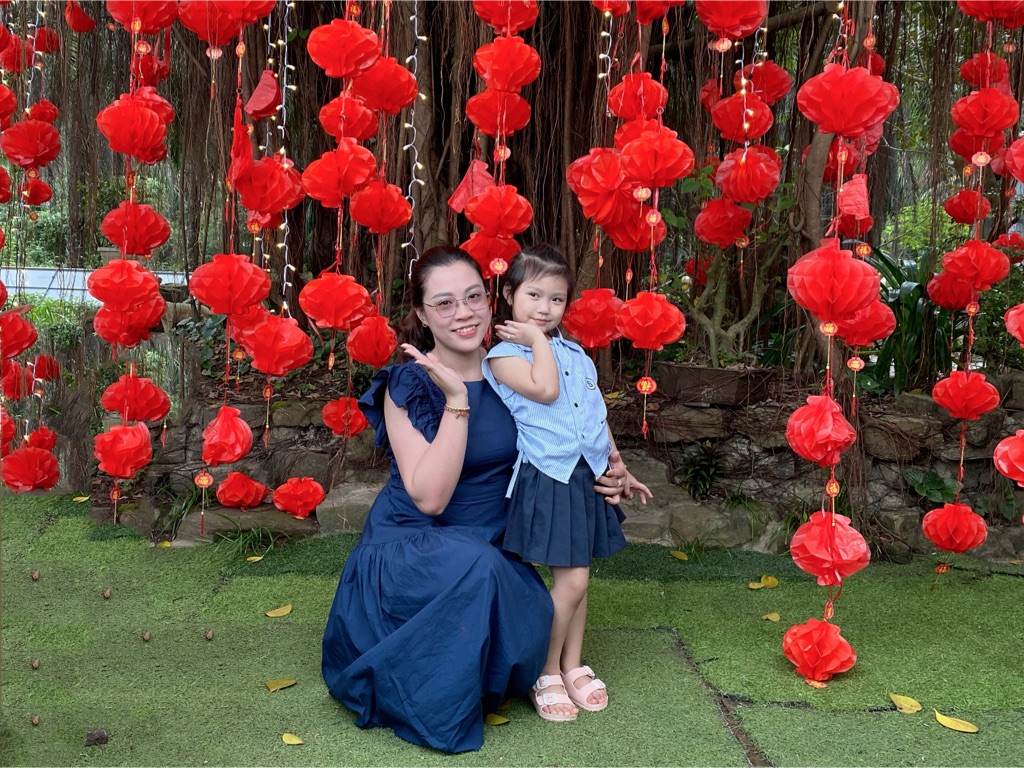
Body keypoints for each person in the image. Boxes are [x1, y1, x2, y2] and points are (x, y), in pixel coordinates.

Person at [321, 245, 633, 753]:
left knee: (542, 581)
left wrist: (608, 472)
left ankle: (555, 665)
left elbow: (570, 432)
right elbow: (429, 499)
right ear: (422, 314)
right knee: (482, 570)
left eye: (472, 297)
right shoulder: (408, 382)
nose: (463, 312)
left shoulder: (517, 369)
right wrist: (457, 402)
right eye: (444, 303)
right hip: (416, 545)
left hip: (495, 541)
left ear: (492, 301)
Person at [482, 244, 653, 723]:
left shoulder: (576, 353)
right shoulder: (503, 355)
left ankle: (571, 665)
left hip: (585, 473)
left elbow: (593, 415)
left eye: (556, 300)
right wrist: (538, 341)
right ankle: (543, 671)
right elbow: (545, 389)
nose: (545, 308)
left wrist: (618, 464)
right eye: (534, 295)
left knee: (578, 579)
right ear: (509, 295)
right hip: (548, 474)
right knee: (572, 578)